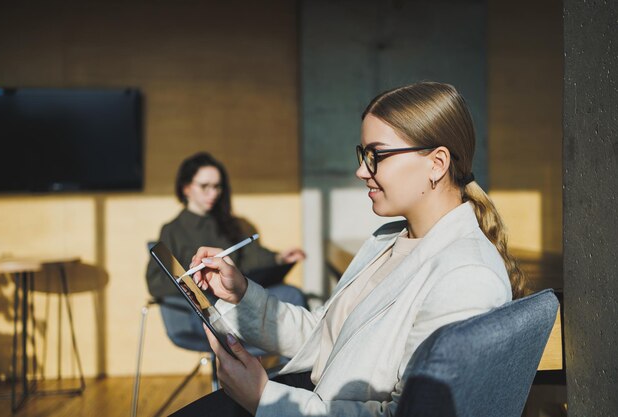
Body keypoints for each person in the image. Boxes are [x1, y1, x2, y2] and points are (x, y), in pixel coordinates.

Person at [175, 82, 527, 417]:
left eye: (377, 155)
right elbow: (323, 335)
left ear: (436, 164)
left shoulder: (466, 277)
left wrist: (265, 399)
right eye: (363, 154)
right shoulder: (389, 240)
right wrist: (241, 294)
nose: (361, 170)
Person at [146, 152, 307, 349]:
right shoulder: (173, 230)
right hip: (203, 312)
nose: (213, 193)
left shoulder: (231, 224)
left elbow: (251, 258)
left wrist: (279, 258)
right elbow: (155, 282)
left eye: (217, 187)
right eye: (205, 186)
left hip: (237, 299)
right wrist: (196, 283)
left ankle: (295, 371)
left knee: (292, 294)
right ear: (186, 188)